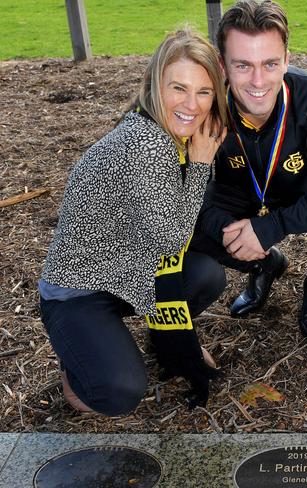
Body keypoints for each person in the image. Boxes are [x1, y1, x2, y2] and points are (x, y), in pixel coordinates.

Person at [39, 28, 229, 415]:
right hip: (78, 291)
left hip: (126, 273)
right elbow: (173, 240)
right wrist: (201, 167)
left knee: (207, 275)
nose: (191, 104)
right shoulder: (146, 145)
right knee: (119, 393)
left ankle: (157, 337)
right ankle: (79, 364)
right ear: (154, 85)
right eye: (179, 88)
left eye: (204, 92)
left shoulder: (164, 131)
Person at [191, 0, 307, 342]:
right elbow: (188, 187)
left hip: (304, 191)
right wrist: (233, 233)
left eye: (270, 63)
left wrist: (271, 227)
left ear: (287, 59)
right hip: (240, 194)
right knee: (185, 227)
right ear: (222, 65)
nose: (258, 81)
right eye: (243, 65)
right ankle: (263, 265)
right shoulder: (202, 103)